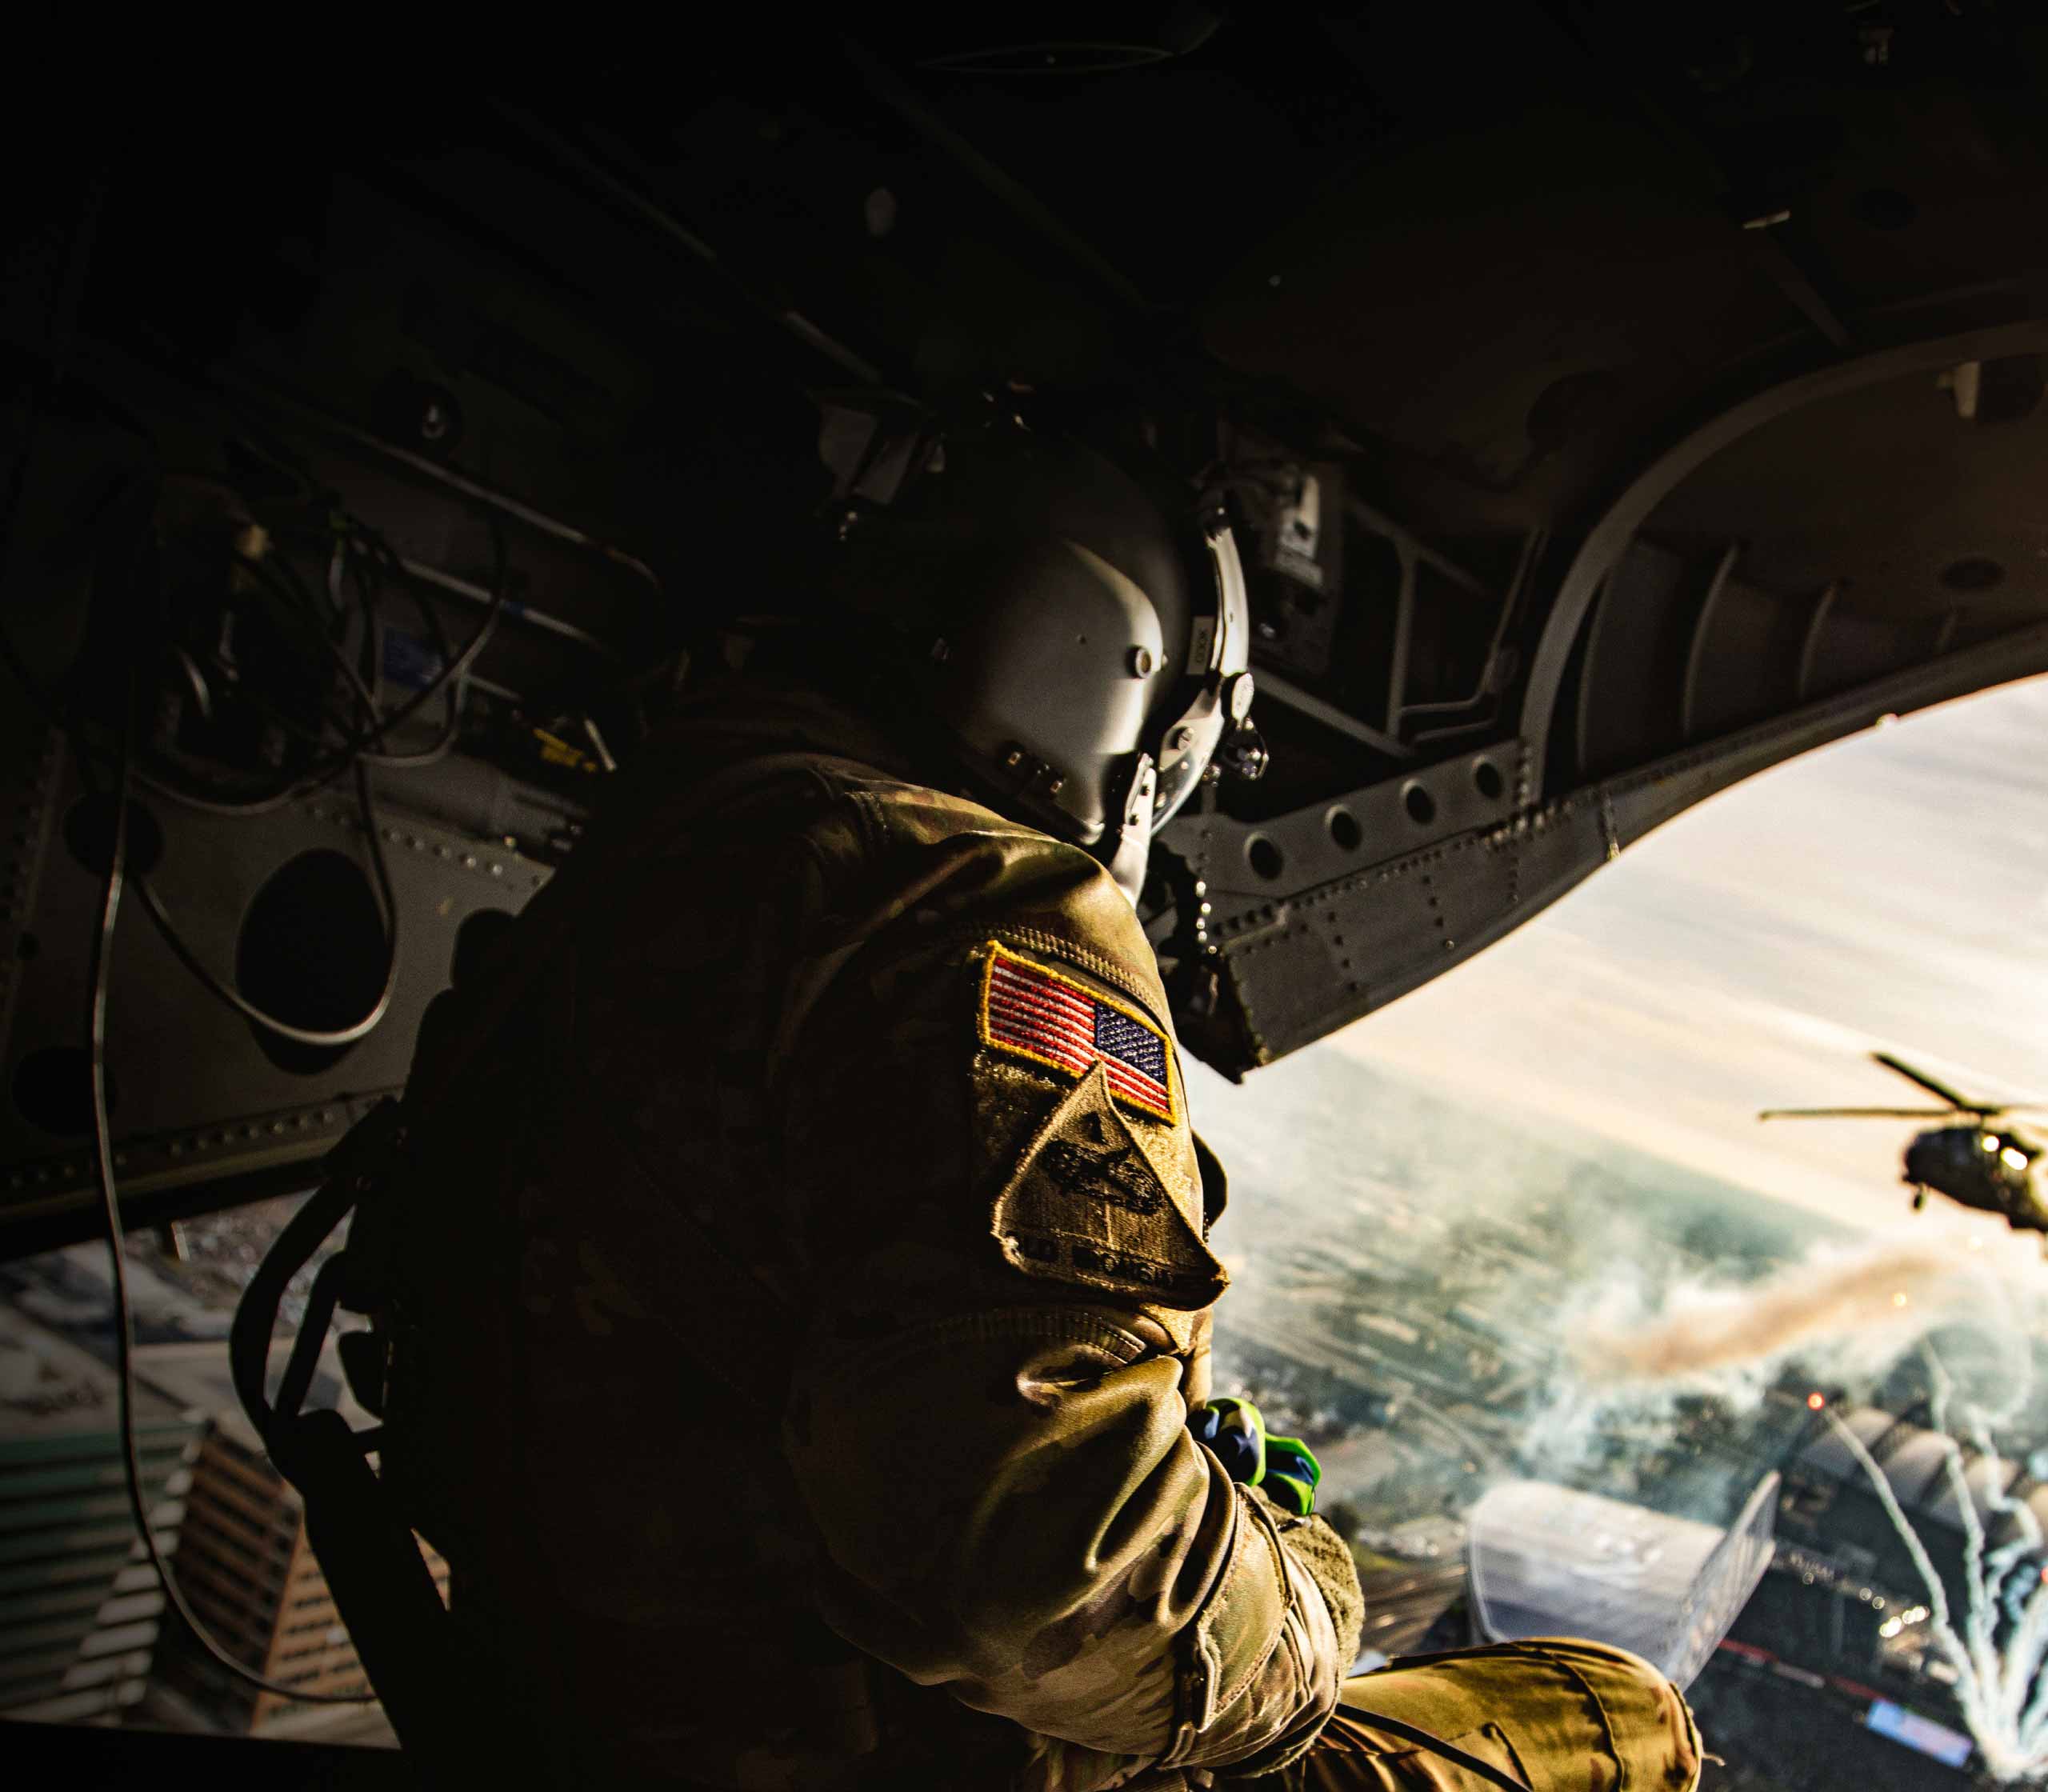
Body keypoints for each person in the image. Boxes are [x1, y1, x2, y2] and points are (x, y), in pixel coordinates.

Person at [368, 404, 1704, 1791]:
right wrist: (1304, 1587)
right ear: (1118, 679)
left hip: (571, 1710)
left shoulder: (669, 854)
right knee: (1615, 1717)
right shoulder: (983, 900)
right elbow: (1069, 1577)